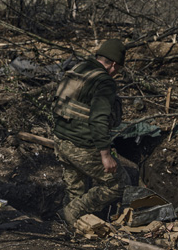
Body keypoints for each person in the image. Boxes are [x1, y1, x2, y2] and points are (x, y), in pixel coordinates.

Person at [52, 39, 127, 230]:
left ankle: (68, 229)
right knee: (118, 183)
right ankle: (69, 214)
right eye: (118, 70)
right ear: (113, 65)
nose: (116, 74)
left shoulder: (79, 69)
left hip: (60, 140)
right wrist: (105, 154)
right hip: (81, 145)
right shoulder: (104, 81)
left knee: (75, 189)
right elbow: (98, 119)